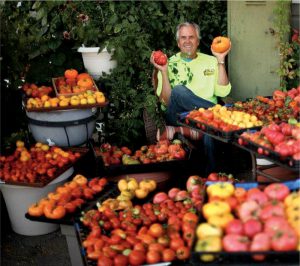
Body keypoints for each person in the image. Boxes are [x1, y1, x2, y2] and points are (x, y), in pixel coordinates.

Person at [150, 22, 232, 173]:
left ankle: (211, 178)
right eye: (183, 38)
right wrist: (163, 71)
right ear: (178, 42)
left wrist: (220, 60)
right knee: (179, 91)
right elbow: (167, 101)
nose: (187, 41)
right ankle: (218, 113)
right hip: (178, 115)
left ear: (198, 41)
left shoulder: (210, 61)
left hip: (205, 120)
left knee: (210, 130)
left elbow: (223, 92)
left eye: (191, 37)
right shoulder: (169, 63)